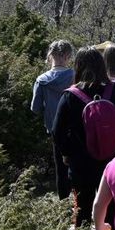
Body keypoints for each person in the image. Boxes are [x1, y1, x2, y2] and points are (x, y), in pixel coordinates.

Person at [52, 47, 115, 230]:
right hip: (112, 163)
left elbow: (57, 132)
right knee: (114, 209)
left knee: (82, 207)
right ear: (102, 66)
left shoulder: (70, 95)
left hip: (81, 163)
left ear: (78, 66)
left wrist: (67, 153)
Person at [30, 40, 75, 199]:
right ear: (67, 55)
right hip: (75, 129)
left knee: (60, 170)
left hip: (54, 130)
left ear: (50, 56)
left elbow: (35, 108)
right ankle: (79, 205)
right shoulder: (75, 76)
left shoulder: (41, 80)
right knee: (77, 168)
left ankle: (63, 204)